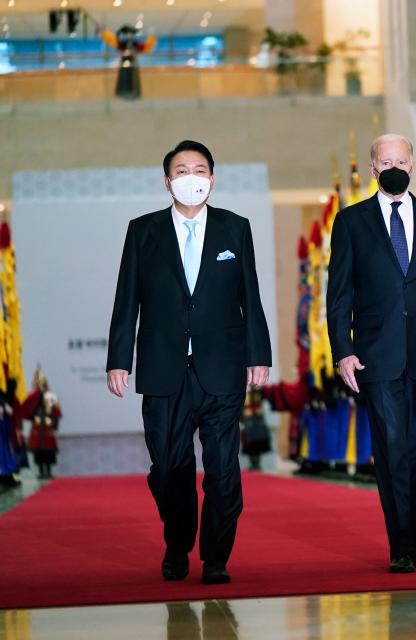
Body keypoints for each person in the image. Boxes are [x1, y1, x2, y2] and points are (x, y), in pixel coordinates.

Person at [106, 140, 272, 584]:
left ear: (212, 179)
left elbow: (249, 297)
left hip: (221, 368)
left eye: (200, 169)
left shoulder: (235, 229)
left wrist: (259, 354)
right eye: (182, 170)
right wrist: (118, 359)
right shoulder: (143, 231)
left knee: (222, 469)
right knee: (168, 468)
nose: (191, 177)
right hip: (164, 371)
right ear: (167, 181)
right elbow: (127, 299)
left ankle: (216, 556)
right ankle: (178, 542)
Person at [326, 133, 416, 573]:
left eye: (401, 160)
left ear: (412, 166)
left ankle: (413, 528)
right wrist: (343, 351)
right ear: (373, 169)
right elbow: (339, 294)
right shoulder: (351, 222)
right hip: (376, 355)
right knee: (390, 447)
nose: (394, 166)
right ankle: (402, 543)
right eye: (385, 160)